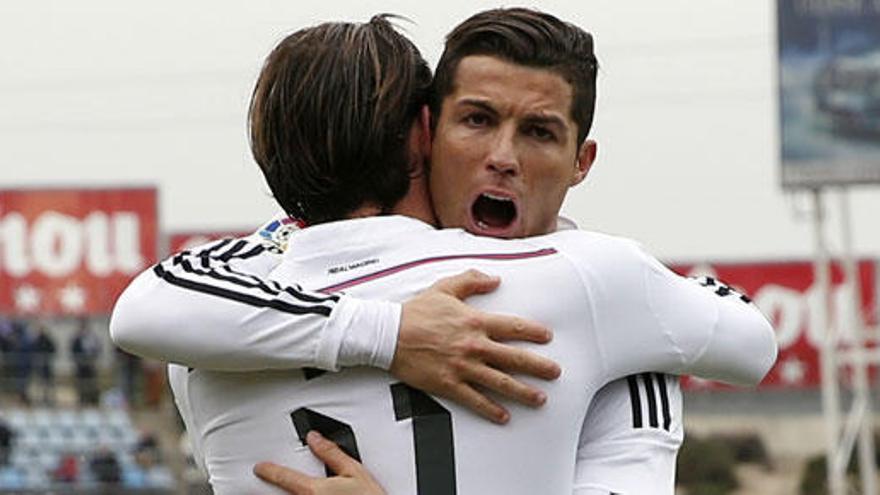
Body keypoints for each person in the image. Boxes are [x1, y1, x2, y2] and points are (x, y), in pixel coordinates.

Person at [112, 11, 776, 494]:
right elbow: (751, 341)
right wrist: (392, 332)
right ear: (424, 134)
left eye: (539, 132)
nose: (503, 159)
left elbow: (144, 307)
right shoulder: (593, 282)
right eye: (478, 120)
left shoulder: (208, 341)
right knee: (647, 361)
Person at [71, 319, 101, 405]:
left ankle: (91, 398)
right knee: (81, 383)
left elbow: (98, 348)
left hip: (90, 364)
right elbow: (73, 349)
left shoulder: (92, 337)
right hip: (81, 365)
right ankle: (82, 398)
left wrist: (93, 357)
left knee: (90, 382)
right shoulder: (76, 338)